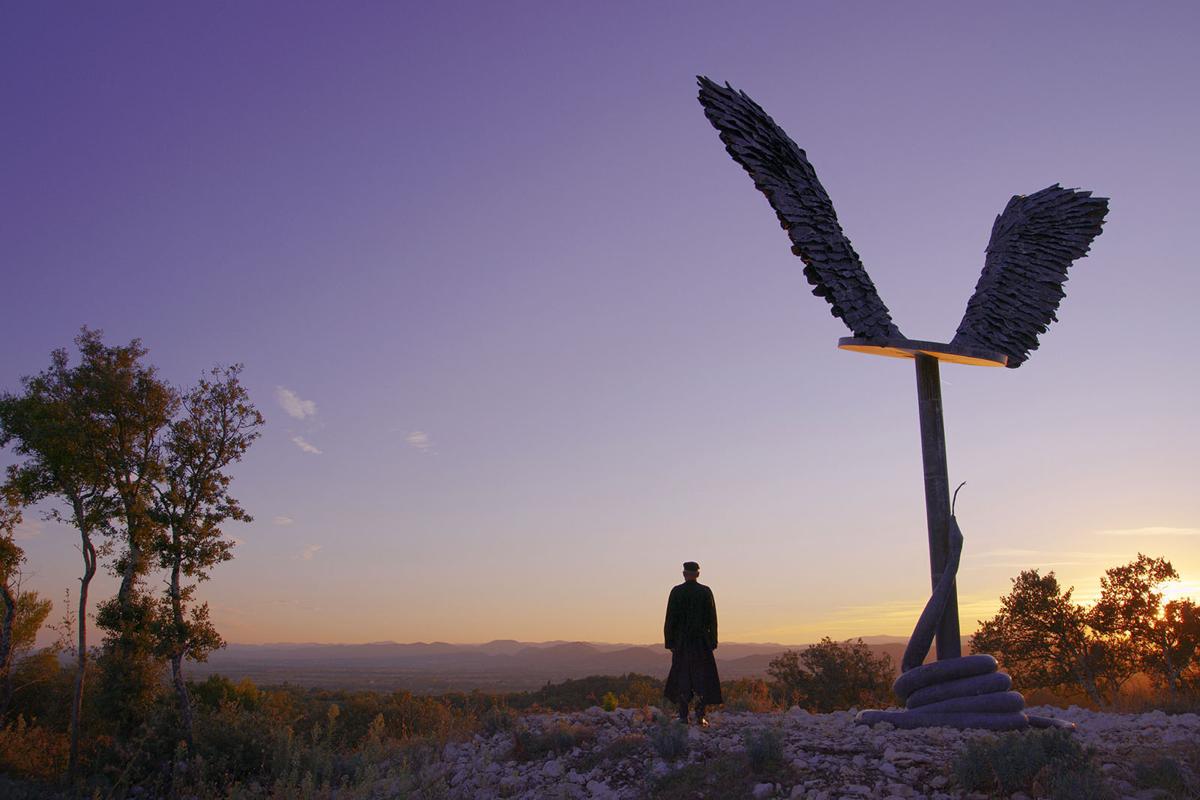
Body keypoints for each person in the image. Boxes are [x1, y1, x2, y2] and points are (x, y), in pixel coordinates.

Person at [663, 561, 723, 726]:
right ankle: (700, 715)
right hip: (701, 642)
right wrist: (712, 640)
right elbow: (712, 618)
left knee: (683, 676)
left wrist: (670, 642)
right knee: (701, 677)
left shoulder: (676, 592)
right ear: (697, 574)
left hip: (682, 642)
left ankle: (683, 716)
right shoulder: (705, 592)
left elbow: (670, 619)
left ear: (684, 574)